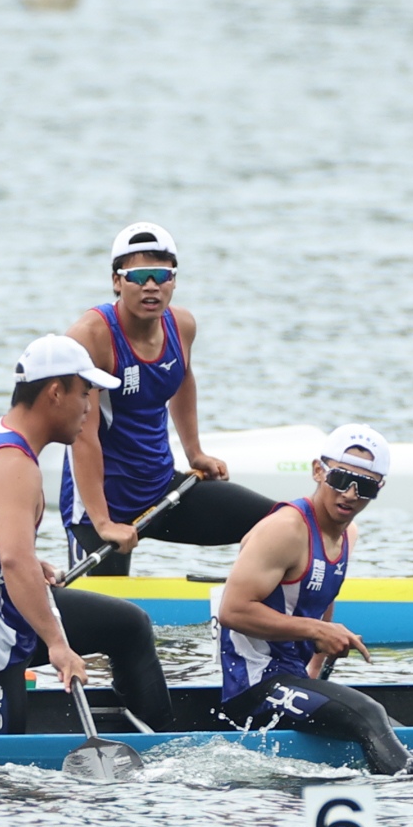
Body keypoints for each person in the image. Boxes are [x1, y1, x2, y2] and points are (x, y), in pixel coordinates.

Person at [0, 335, 172, 739]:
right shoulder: (14, 466)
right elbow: (13, 562)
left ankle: (160, 742)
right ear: (56, 393)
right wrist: (58, 646)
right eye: (85, 393)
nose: (89, 407)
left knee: (128, 625)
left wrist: (16, 556)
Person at [60, 223, 277, 575]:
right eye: (138, 276)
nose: (151, 286)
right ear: (116, 281)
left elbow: (183, 378)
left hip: (162, 489)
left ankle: (248, 598)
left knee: (281, 523)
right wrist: (103, 522)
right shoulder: (91, 336)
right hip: (100, 505)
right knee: (108, 612)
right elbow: (83, 436)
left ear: (173, 280)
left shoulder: (182, 325)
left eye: (162, 275)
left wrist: (195, 453)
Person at [216, 425, 413, 775]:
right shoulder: (285, 529)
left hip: (292, 679)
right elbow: (232, 611)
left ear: (379, 489)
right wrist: (317, 632)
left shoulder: (348, 533)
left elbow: (324, 599)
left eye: (365, 486)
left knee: (397, 733)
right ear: (318, 471)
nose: (350, 494)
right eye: (341, 479)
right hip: (253, 690)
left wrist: (316, 668)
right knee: (369, 715)